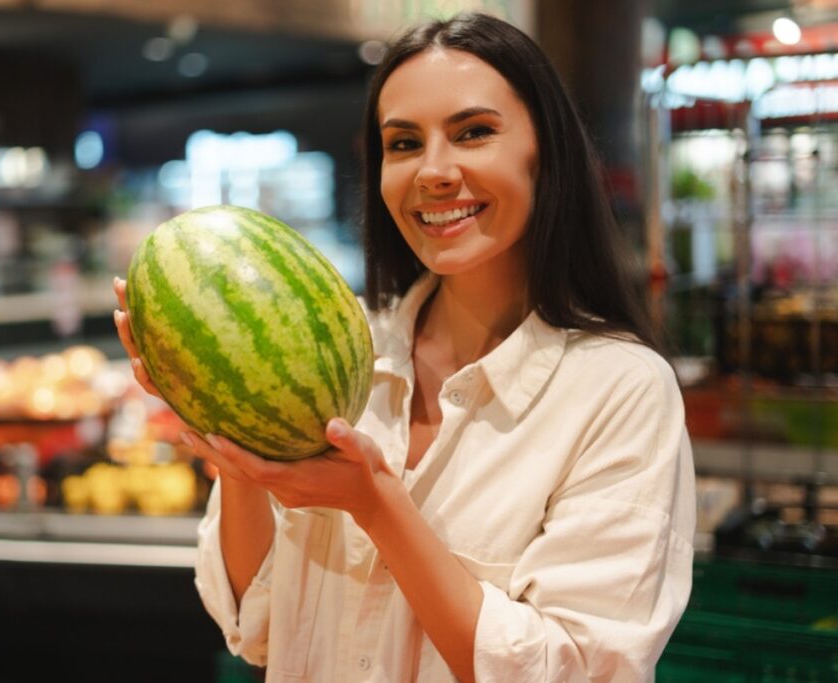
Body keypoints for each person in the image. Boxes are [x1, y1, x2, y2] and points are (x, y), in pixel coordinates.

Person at [114, 11, 694, 682]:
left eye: (474, 132)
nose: (435, 172)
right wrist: (231, 439)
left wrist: (377, 503)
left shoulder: (619, 389)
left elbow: (578, 670)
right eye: (404, 143)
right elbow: (256, 627)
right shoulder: (336, 350)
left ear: (546, 152)